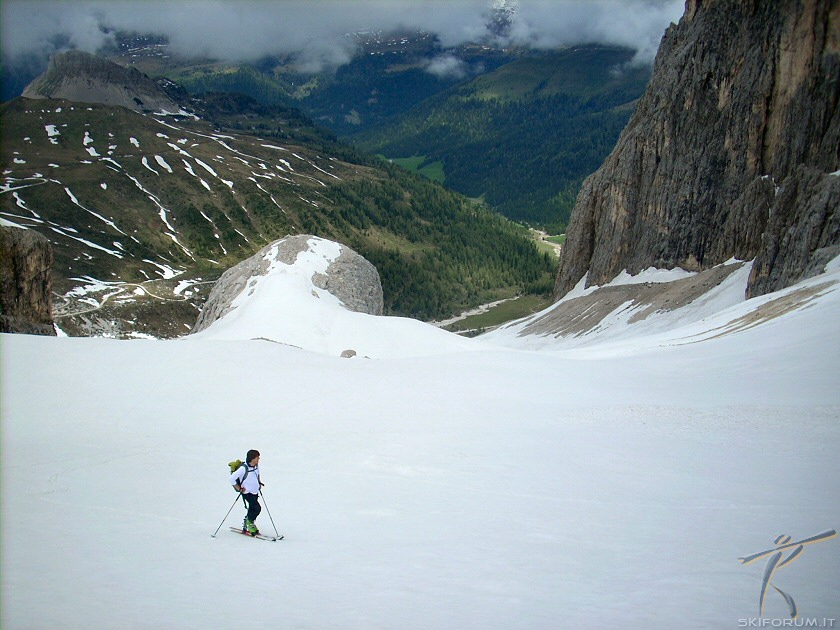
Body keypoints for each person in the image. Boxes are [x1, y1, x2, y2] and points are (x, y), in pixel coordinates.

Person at [230, 449, 262, 534]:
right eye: (257, 457)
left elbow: (257, 474)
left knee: (252, 508)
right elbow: (232, 478)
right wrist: (238, 488)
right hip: (247, 492)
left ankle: (248, 523)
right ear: (252, 458)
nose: (259, 459)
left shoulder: (256, 466)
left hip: (255, 492)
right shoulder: (243, 468)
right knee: (257, 508)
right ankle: (249, 522)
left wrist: (259, 483)